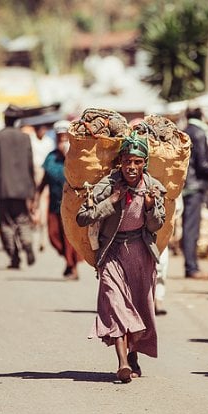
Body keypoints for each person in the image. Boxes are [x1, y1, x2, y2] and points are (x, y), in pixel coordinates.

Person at [76, 132, 166, 383]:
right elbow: (83, 216)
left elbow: (157, 224)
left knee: (138, 307)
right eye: (128, 161)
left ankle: (133, 355)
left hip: (140, 253)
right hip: (112, 252)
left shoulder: (153, 186)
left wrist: (149, 207)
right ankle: (122, 362)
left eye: (138, 162)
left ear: (144, 163)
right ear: (120, 162)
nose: (132, 167)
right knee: (116, 306)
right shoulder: (108, 183)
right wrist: (113, 199)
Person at [0, 107, 36, 269]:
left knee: (6, 224)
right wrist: (32, 187)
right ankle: (27, 243)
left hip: (3, 187)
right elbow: (30, 165)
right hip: (23, 187)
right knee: (22, 219)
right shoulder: (25, 138)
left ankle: (14, 257)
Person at [35, 120, 81, 279]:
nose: (62, 141)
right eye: (59, 137)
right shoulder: (51, 157)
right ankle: (69, 261)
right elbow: (44, 179)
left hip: (72, 205)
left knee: (70, 238)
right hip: (54, 204)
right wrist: (36, 198)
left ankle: (71, 266)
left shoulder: (77, 157)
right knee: (54, 236)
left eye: (65, 137)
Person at [181, 108, 208, 280]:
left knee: (188, 226)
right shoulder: (199, 133)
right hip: (195, 186)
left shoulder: (185, 132)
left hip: (186, 185)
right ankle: (192, 268)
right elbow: (203, 164)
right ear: (201, 116)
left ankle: (190, 265)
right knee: (191, 228)